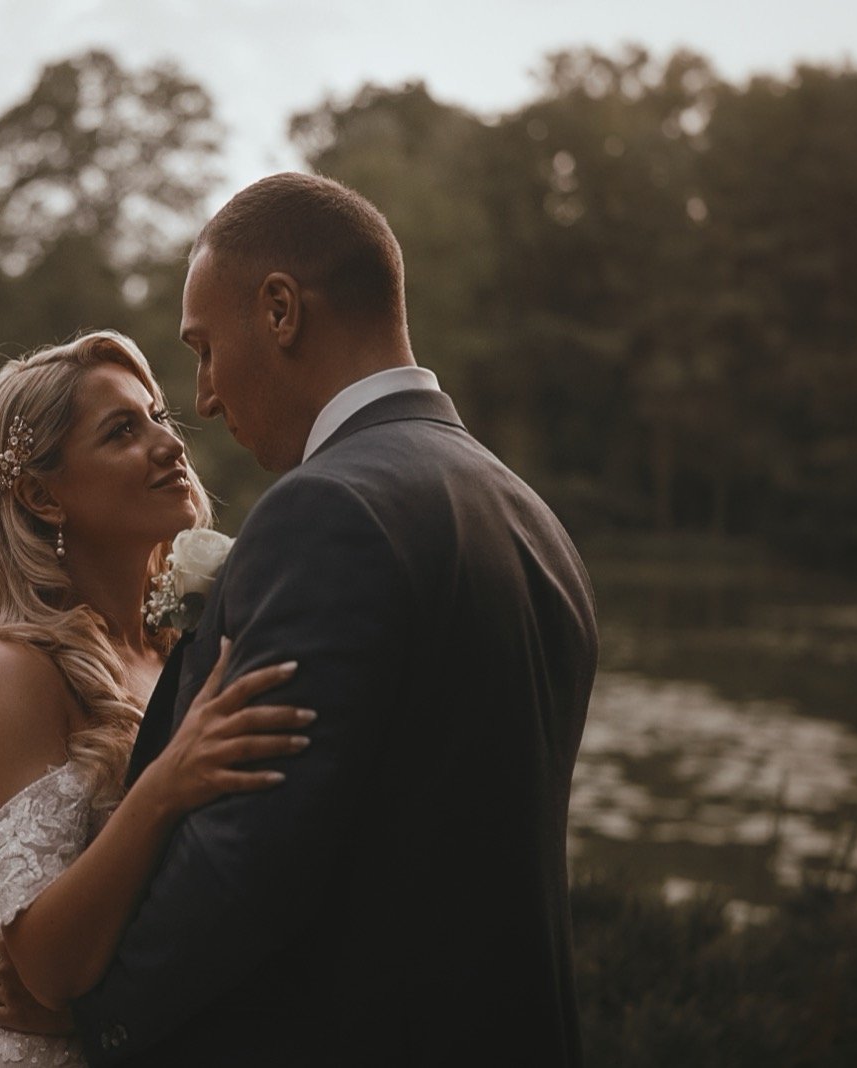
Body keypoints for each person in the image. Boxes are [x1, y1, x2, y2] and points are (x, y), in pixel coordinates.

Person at [37, 173, 601, 1065]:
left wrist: (93, 1017)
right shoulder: (531, 518)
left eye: (205, 348)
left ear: (280, 311)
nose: (208, 396)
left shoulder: (326, 510)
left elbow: (246, 861)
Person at [0, 330, 312, 1067]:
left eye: (158, 416)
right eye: (123, 431)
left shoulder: (187, 644)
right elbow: (48, 970)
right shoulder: (12, 673)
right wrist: (165, 786)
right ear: (39, 494)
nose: (169, 444)